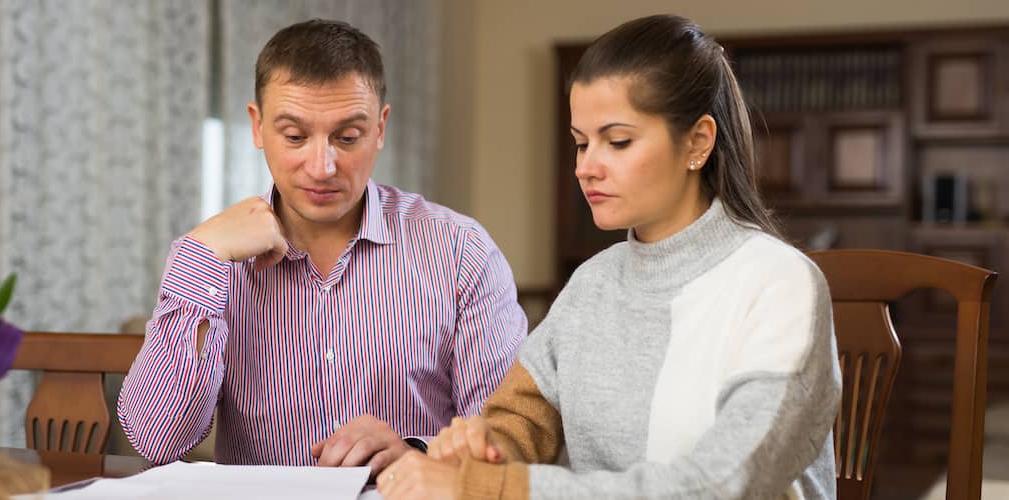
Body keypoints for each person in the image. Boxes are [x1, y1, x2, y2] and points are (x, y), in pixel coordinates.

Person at [378, 14, 841, 500]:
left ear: (698, 142)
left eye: (617, 142)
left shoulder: (779, 285)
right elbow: (520, 420)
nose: (585, 167)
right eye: (581, 143)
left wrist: (491, 487)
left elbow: (723, 483)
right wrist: (483, 447)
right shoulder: (591, 284)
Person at [117, 19, 527, 477]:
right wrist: (200, 256)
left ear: (380, 128)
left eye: (347, 137)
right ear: (257, 127)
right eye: (294, 137)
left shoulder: (461, 252)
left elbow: (504, 444)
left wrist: (416, 455)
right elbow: (158, 440)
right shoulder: (212, 259)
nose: (322, 166)